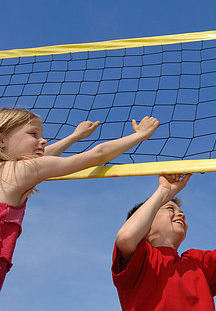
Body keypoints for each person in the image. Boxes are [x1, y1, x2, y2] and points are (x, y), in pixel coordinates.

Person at [0, 108, 159, 290]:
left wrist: (75, 136)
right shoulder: (23, 170)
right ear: (2, 139)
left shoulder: (12, 170)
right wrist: (139, 136)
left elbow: (44, 155)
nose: (42, 141)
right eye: (33, 134)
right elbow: (98, 154)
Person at [111, 169, 216, 311]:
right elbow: (126, 236)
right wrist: (164, 190)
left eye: (181, 212)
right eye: (170, 208)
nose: (181, 215)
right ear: (146, 223)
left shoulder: (196, 262)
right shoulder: (141, 259)